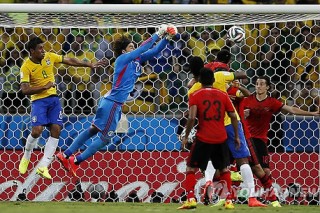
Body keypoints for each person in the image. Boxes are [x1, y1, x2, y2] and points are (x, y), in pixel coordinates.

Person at [56, 24, 178, 177]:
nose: (134, 49)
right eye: (131, 47)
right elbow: (142, 49)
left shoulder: (136, 60)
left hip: (110, 102)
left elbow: (155, 51)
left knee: (93, 130)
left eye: (134, 46)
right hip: (113, 103)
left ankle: (65, 154)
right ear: (123, 51)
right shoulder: (122, 59)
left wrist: (167, 38)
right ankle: (76, 161)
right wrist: (158, 34)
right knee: (106, 138)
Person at [18, 36, 107, 179]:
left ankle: (43, 166)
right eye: (40, 48)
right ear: (32, 51)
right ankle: (27, 154)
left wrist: (89, 65)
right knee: (37, 131)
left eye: (43, 47)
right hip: (38, 101)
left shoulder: (50, 56)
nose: (43, 50)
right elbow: (24, 90)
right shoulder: (26, 66)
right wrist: (44, 87)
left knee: (56, 129)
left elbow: (69, 60)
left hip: (53, 99)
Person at [187, 51, 266, 207]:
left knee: (210, 160)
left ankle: (208, 182)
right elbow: (243, 74)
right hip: (230, 123)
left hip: (211, 127)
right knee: (242, 160)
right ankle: (251, 197)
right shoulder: (221, 77)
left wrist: (187, 133)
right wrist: (226, 73)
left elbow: (192, 112)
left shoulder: (193, 90)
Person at [242, 76, 320, 204]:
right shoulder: (247, 100)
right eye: (256, 84)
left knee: (265, 170)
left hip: (261, 139)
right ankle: (267, 197)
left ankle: (269, 196)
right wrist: (242, 114)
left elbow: (291, 110)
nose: (258, 86)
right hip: (247, 138)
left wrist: (311, 113)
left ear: (267, 87)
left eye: (262, 84)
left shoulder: (272, 102)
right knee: (251, 167)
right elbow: (235, 111)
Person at [178, 67, 240, 210]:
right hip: (221, 137)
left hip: (203, 138)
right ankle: (229, 200)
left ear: (199, 80)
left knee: (190, 168)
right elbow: (232, 116)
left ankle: (190, 199)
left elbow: (192, 117)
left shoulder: (195, 94)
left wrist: (186, 136)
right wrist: (236, 136)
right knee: (224, 169)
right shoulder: (223, 94)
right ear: (213, 80)